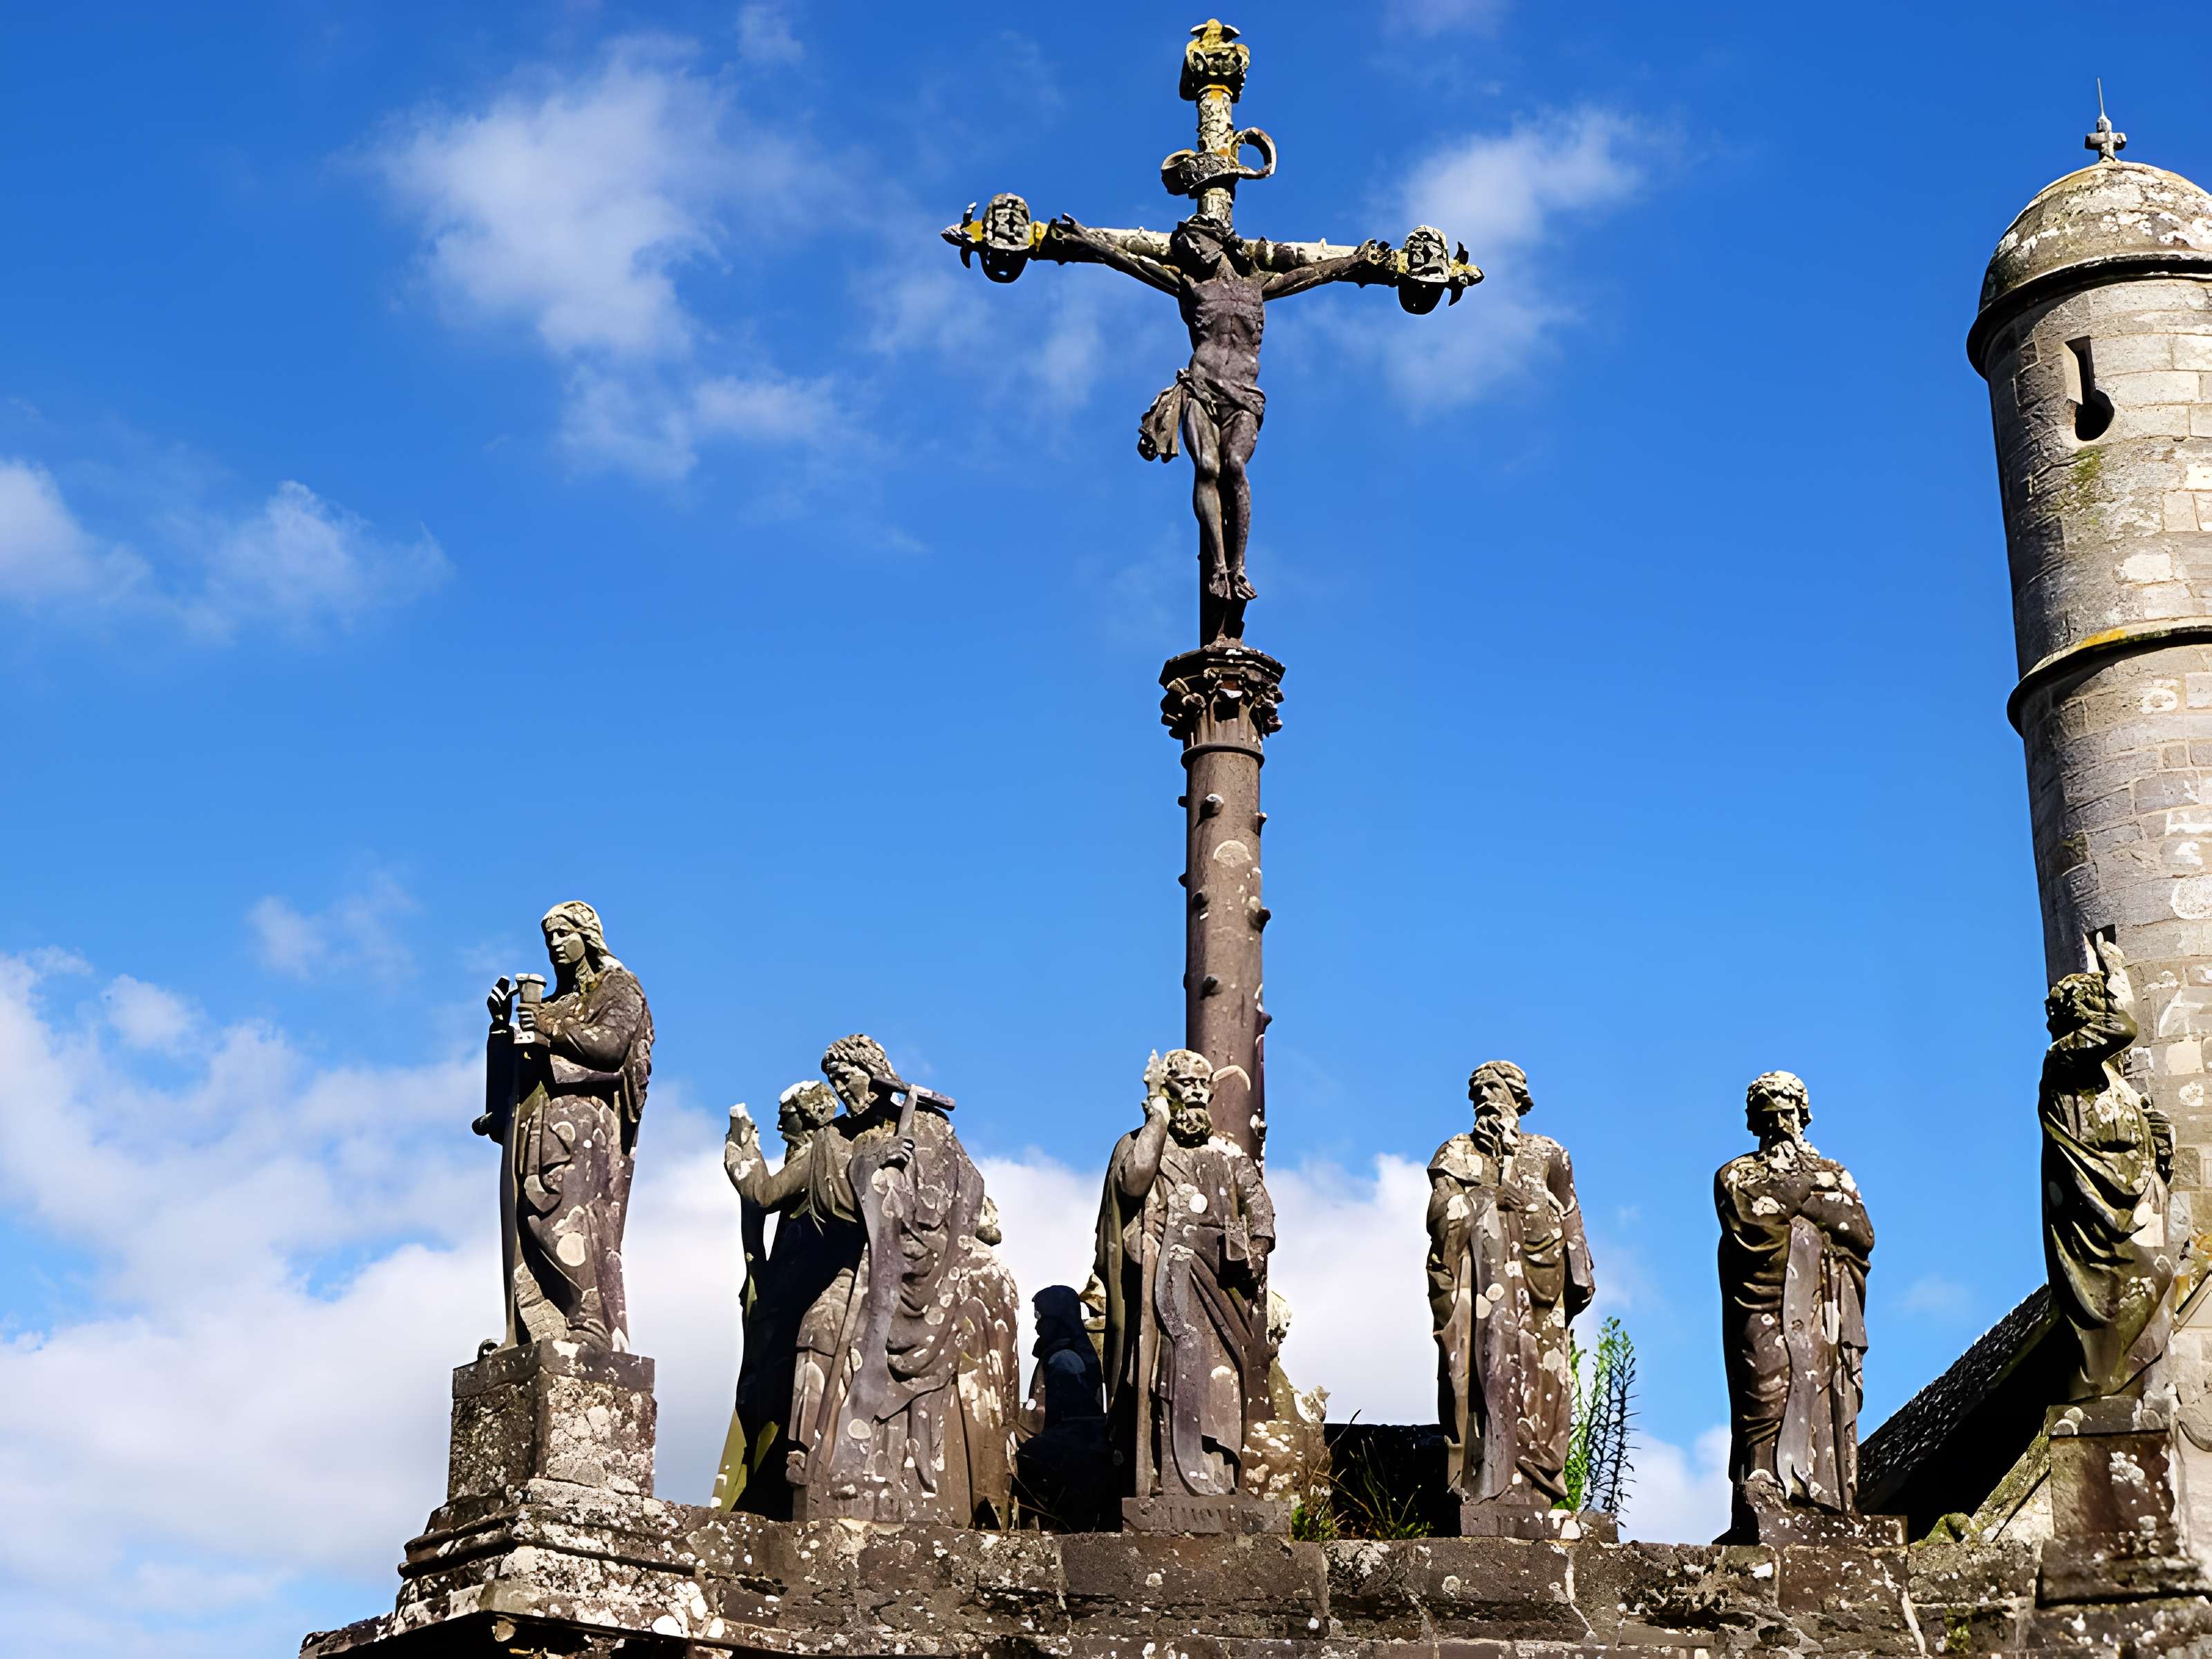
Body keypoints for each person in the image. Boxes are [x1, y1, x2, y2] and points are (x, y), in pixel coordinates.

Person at [1050, 212, 1392, 641]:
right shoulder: (1189, 287)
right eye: (1183, 247)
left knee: (1235, 466)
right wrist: (1090, 240)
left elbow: (1310, 275)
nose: (1189, 251)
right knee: (1208, 468)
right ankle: (1217, 566)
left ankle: (1240, 565)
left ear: (1217, 241)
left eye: (1194, 241)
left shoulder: (1256, 288)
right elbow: (1134, 264)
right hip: (1201, 389)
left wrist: (1354, 261)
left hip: (1244, 396)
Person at [724, 1035, 986, 1522]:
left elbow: (964, 1193)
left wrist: (906, 1185)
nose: (842, 1088)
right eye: (834, 1081)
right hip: (855, 1270)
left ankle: (887, 1468)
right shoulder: (835, 1139)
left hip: (913, 1274)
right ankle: (807, 1456)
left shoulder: (929, 1127)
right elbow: (768, 1193)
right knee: (817, 1331)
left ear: (874, 1071)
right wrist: (742, 1151)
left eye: (847, 1076)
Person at [1096, 1047, 1276, 1501]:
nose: (1194, 1094)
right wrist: (1157, 1121)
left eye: (1201, 1086)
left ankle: (1215, 1473)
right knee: (1164, 1367)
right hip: (1162, 1280)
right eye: (1183, 1086)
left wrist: (1254, 1250)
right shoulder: (1141, 1144)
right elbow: (1133, 1183)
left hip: (1221, 1281)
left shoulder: (1229, 1155)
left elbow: (1261, 1212)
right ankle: (1164, 1471)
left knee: (1222, 1380)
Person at [478, 901, 653, 1352]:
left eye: (563, 934)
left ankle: (588, 1325)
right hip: (533, 1123)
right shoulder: (551, 1002)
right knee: (525, 1221)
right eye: (549, 938)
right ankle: (533, 1331)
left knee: (561, 1218)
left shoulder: (619, 987)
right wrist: (502, 1029)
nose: (555, 945)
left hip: (582, 1125)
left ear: (586, 936)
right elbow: (512, 1079)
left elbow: (613, 1047)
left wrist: (550, 1032)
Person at [1425, 1060, 1594, 1510]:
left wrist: (1579, 1265)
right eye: (1476, 1090)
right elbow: (1440, 1215)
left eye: (1494, 1087)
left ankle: (1537, 1479)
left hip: (1544, 1277)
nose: (1484, 1097)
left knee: (1546, 1375)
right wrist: (1487, 1197)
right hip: (1481, 1284)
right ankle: (1487, 1477)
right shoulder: (1456, 1152)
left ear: (1519, 1096)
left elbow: (1570, 1211)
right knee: (1482, 1365)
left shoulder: (1548, 1152)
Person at [1715, 1070, 1874, 1529]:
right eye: (1769, 1109)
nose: (1780, 1117)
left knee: (1821, 1385)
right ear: (1755, 1120)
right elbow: (1753, 1225)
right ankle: (1762, 1480)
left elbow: (1860, 1231)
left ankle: (1824, 1494)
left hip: (1822, 1304)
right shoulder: (1736, 1174)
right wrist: (1808, 1194)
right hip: (1761, 1302)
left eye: (1787, 1107)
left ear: (1802, 1113)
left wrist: (1790, 1200)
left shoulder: (1835, 1172)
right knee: (1763, 1386)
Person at [2041, 937, 2175, 1400]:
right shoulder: (2062, 1060)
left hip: (2128, 1198)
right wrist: (2117, 972)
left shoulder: (2112, 1078)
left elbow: (2140, 1126)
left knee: (2157, 1276)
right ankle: (2104, 1384)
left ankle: (2115, 1381)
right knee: (2148, 1279)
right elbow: (2122, 1026)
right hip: (2097, 1215)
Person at [713, 1078, 842, 1515]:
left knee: (770, 1388)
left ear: (804, 1117)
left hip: (797, 1290)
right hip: (785, 1286)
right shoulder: (802, 1154)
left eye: (785, 1114)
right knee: (761, 1389)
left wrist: (739, 1149)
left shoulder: (817, 1154)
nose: (779, 1121)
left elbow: (763, 1194)